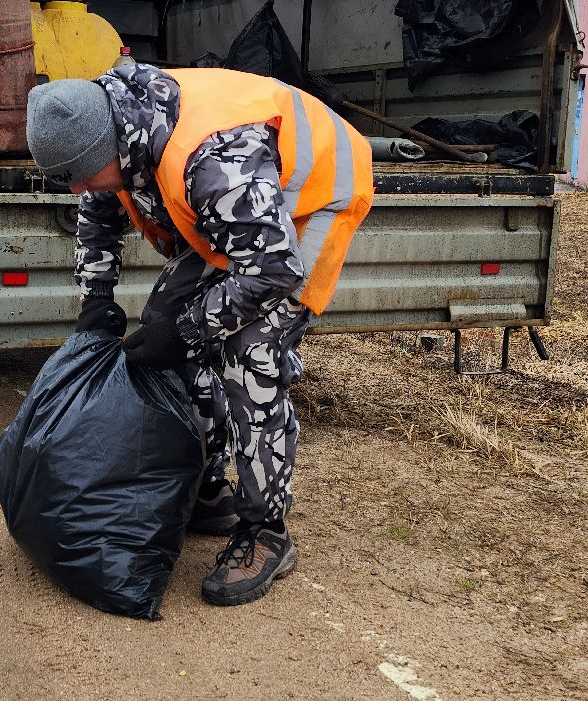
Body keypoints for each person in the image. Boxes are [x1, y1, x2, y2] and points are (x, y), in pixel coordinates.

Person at [26, 62, 373, 606]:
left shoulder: (212, 160)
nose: (74, 186)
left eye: (80, 174)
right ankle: (209, 488)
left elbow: (273, 269)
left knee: (248, 350)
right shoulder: (110, 133)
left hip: (311, 203)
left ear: (112, 148)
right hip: (249, 216)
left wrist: (189, 328)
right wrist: (97, 298)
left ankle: (266, 532)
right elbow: (98, 205)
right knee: (165, 328)